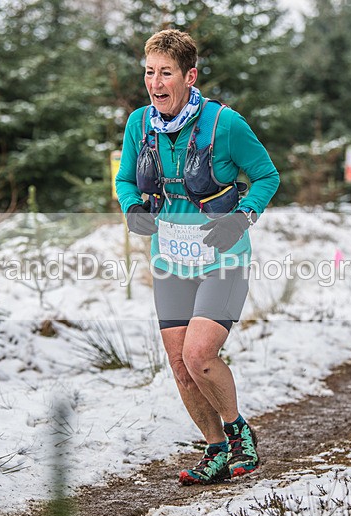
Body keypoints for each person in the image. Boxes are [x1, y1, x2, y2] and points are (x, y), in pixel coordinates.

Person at [115, 29, 279, 485]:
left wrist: (241, 218)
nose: (155, 82)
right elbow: (127, 180)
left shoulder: (224, 124)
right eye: (149, 72)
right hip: (170, 258)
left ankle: (238, 433)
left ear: (189, 76)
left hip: (222, 256)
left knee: (200, 354)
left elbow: (267, 176)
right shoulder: (138, 124)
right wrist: (132, 209)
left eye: (165, 73)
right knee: (180, 365)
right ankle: (216, 450)